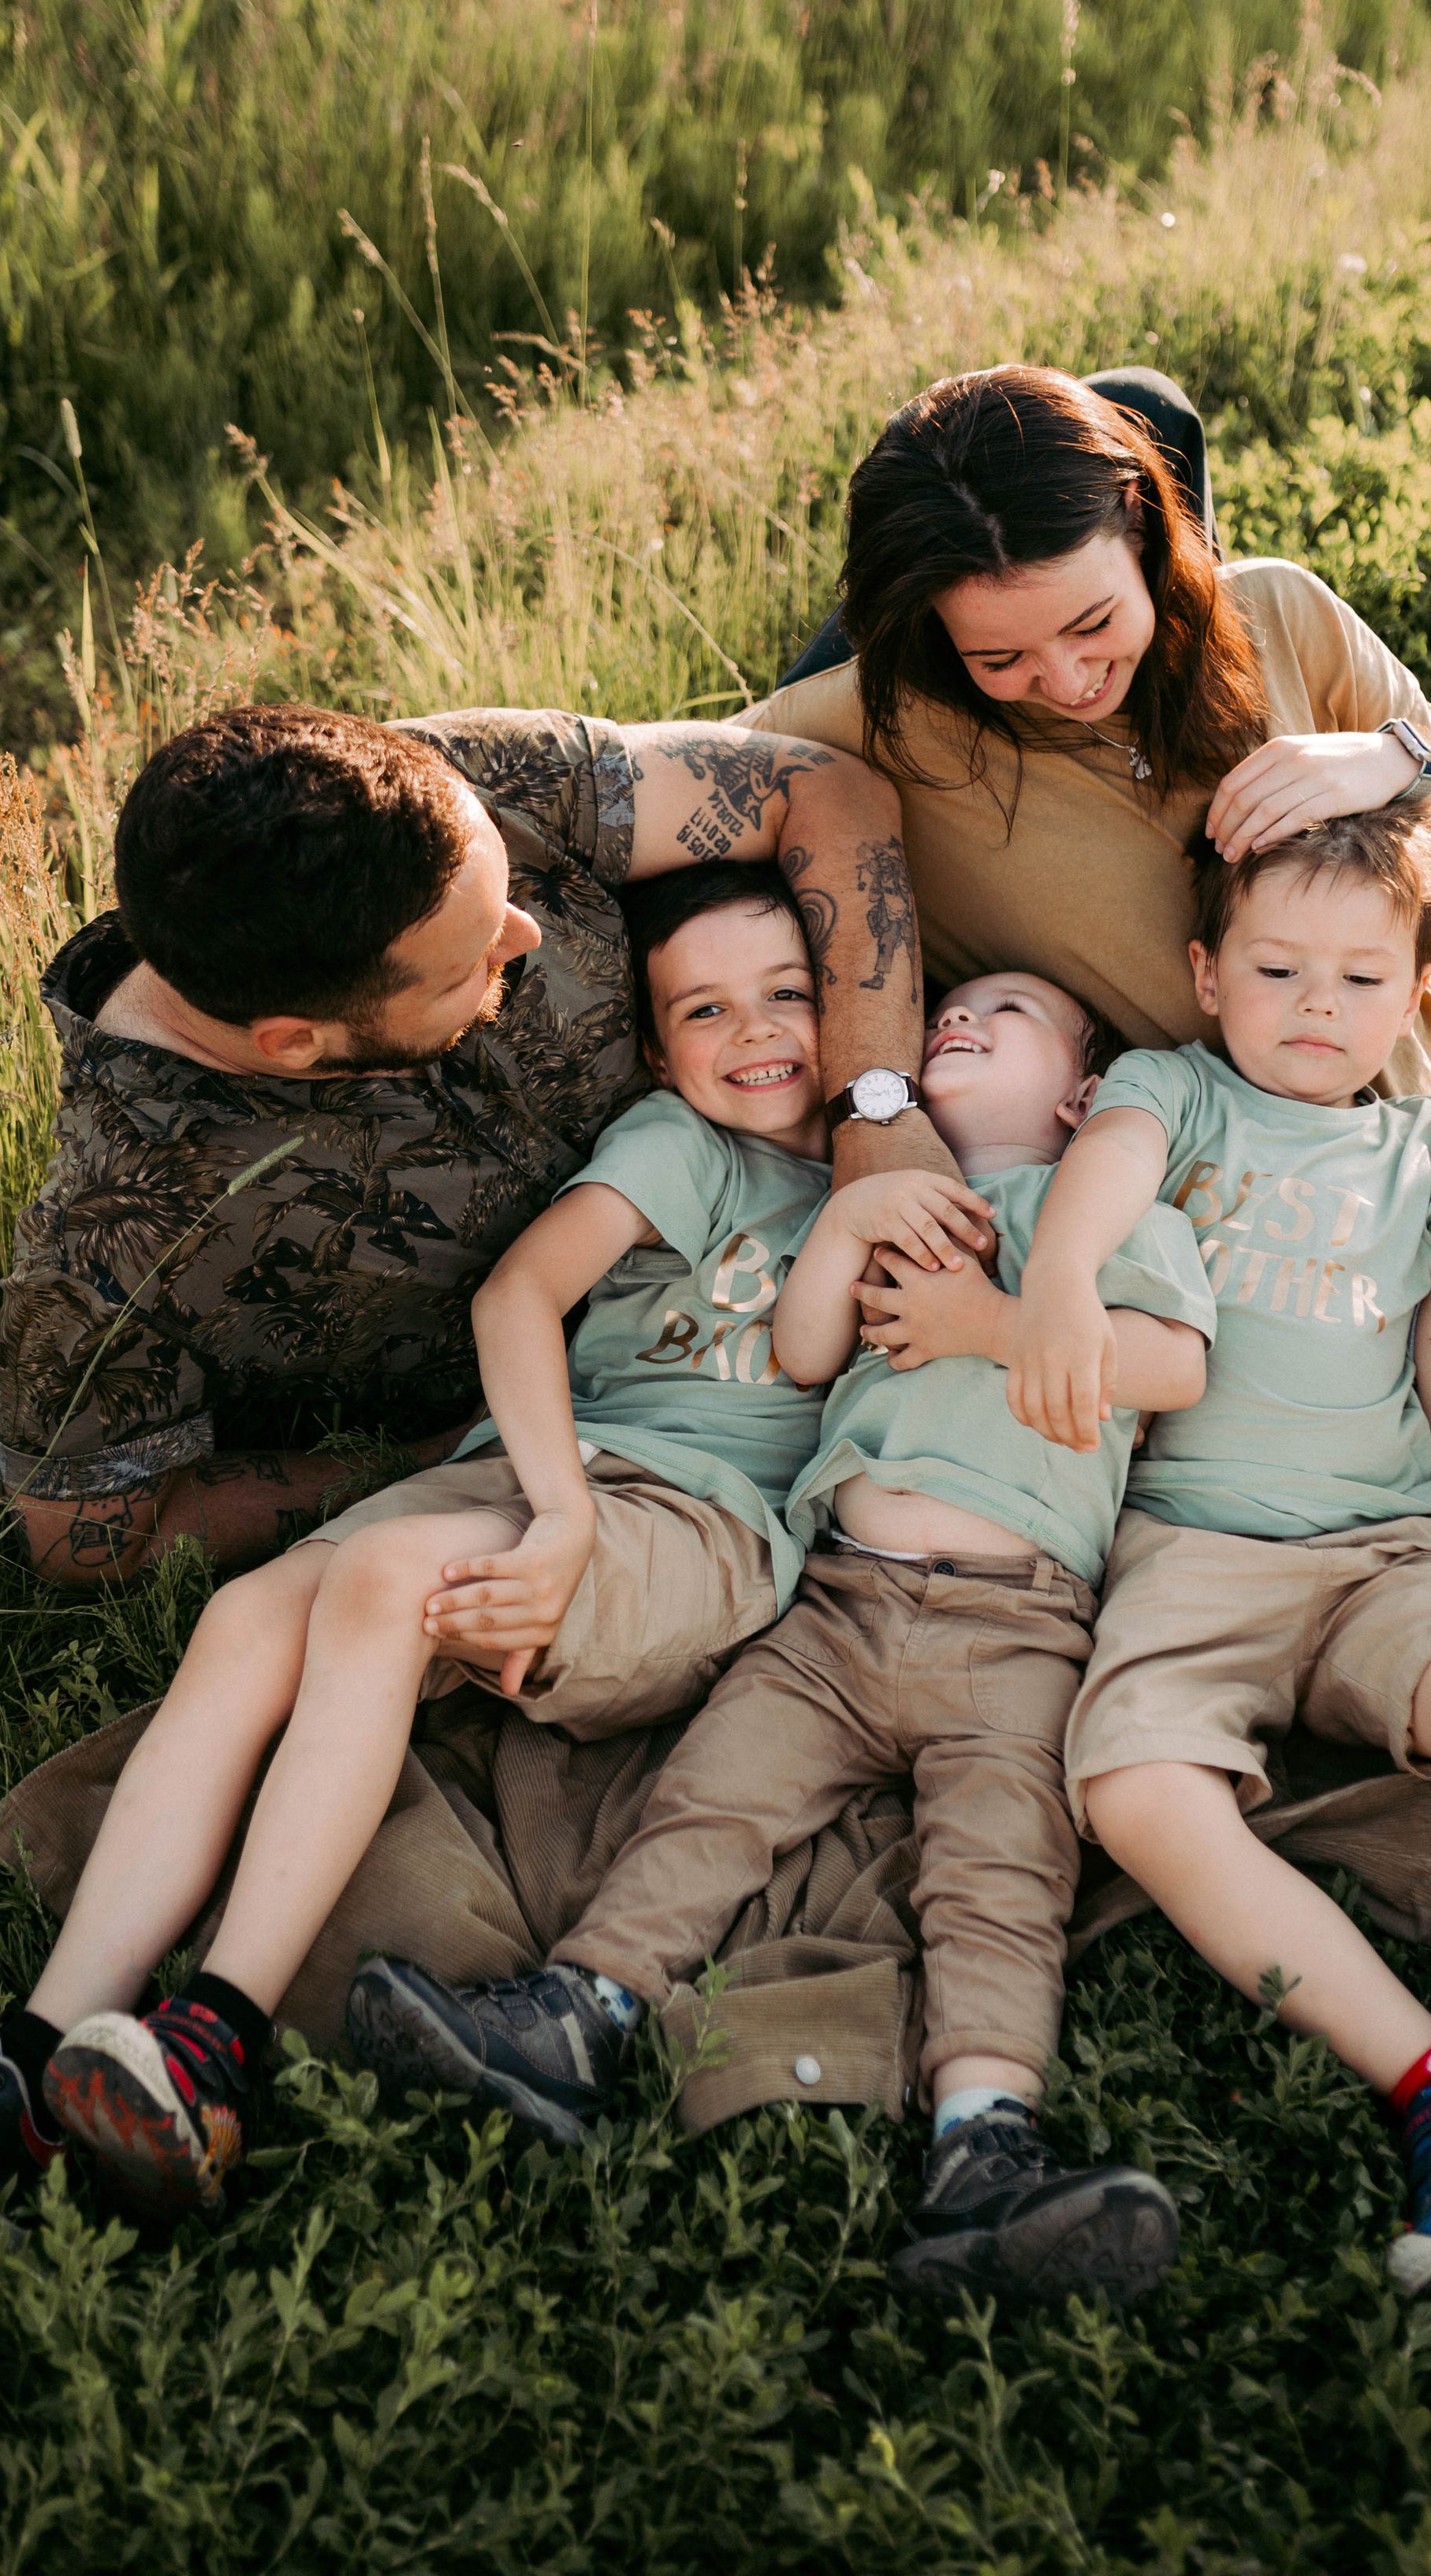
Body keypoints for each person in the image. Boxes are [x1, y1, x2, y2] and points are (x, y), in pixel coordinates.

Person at [0, 864, 982, 2220]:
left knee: (385, 1575)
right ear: (654, 1046)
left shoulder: (907, 1173)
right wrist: (556, 1507)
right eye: (706, 1010)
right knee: (250, 1617)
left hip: (707, 1530)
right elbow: (519, 1298)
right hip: (547, 1477)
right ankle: (29, 2072)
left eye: (789, 996)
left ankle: (214, 2041)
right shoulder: (681, 1145)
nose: (755, 1034)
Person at [341, 967, 1216, 2311]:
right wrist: (860, 1216)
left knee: (998, 1876)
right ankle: (580, 2013)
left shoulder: (1098, 1226)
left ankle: (985, 2145)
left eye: (1011, 1013)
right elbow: (806, 1355)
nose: (961, 1021)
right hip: (840, 1603)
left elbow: (1173, 1368)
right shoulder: (892, 1212)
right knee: (712, 1798)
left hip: (1018, 1628)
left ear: (1083, 1091)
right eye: (947, 1014)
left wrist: (994, 1319)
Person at [752, 363, 1431, 1492]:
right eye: (998, 658)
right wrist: (874, 1102)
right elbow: (616, 781)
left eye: (1093, 621)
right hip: (1298, 1277)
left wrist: (1389, 766)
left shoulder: (1279, 616)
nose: (1063, 676)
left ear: (1147, 532)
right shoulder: (872, 725)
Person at [998, 805, 1431, 2295]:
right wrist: (1059, 1277)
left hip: (1386, 1545)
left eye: (1364, 982)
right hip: (1189, 1558)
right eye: (1279, 969)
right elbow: (1106, 1176)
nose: (1320, 1008)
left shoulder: (1428, 1141)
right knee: (1131, 1788)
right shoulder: (1170, 1092)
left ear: (1416, 997)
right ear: (1205, 973)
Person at [0, 699, 946, 1588]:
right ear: (294, 1042)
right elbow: (80, 1536)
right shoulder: (119, 1228)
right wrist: (448, 1450)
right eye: (471, 956)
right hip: (645, 1449)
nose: (525, 934)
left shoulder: (430, 793)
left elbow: (829, 787)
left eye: (504, 891)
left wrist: (875, 1108)